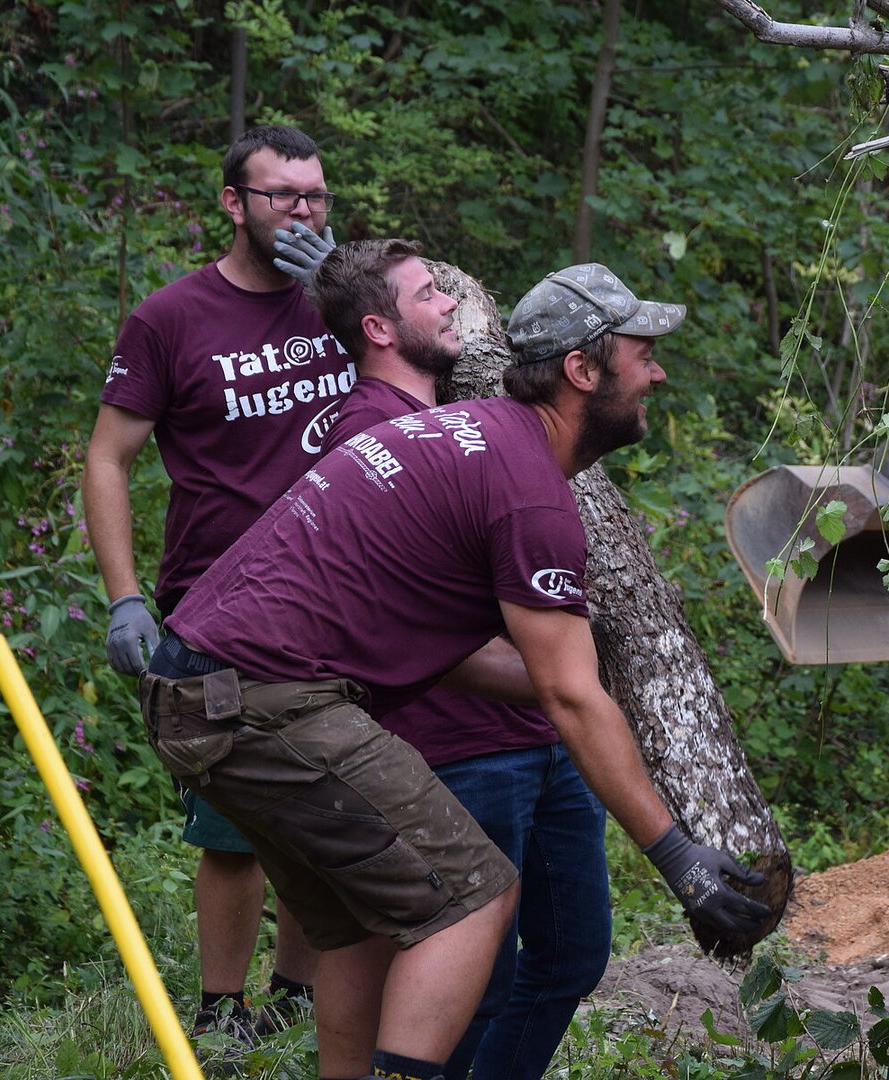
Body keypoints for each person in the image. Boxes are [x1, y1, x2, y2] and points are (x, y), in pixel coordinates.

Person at [136, 253, 772, 1080]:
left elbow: (516, 671)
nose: (657, 374)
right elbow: (569, 697)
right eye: (641, 356)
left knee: (366, 926)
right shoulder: (527, 491)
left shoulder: (474, 438)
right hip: (259, 696)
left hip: (201, 683)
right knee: (473, 894)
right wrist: (677, 857)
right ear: (582, 372)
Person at [313, 239, 610, 1080]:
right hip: (458, 747)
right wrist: (552, 675)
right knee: (478, 977)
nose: (451, 303)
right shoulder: (362, 433)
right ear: (379, 328)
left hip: (547, 735)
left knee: (572, 957)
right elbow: (387, 618)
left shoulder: (476, 412)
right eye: (427, 294)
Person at [82, 124, 344, 1045]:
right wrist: (124, 596)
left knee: (328, 811)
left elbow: (444, 370)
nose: (304, 213)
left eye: (317, 196)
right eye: (284, 196)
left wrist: (344, 287)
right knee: (235, 826)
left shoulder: (346, 301)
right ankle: (221, 1013)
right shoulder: (171, 319)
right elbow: (108, 458)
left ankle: (296, 997)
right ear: (234, 203)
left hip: (348, 598)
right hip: (223, 605)